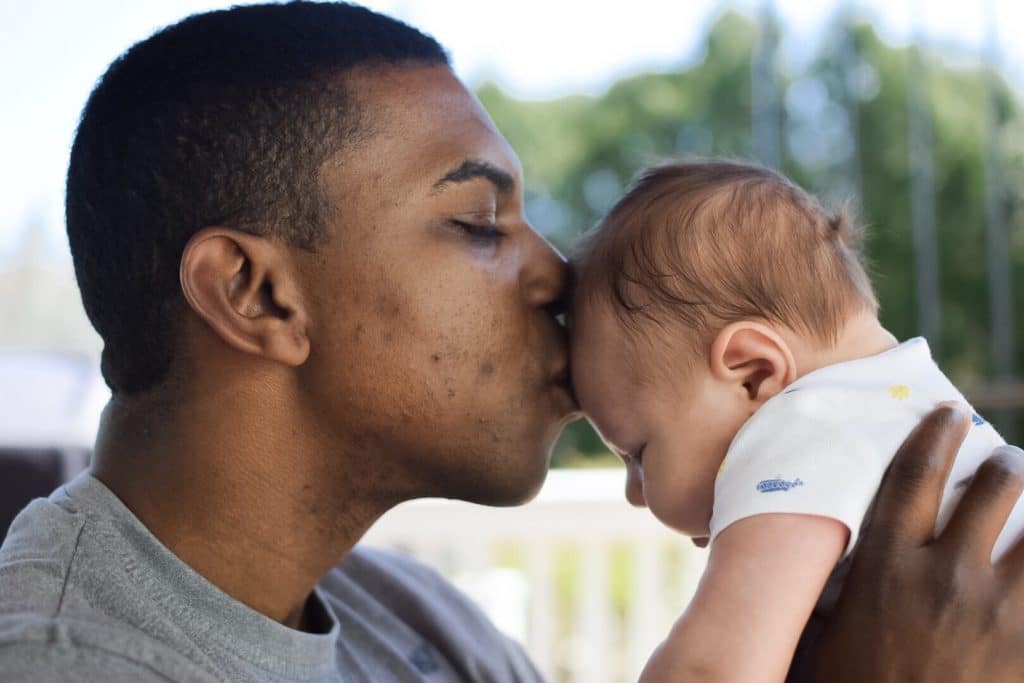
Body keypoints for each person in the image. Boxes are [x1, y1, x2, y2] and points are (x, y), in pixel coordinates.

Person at [0, 3, 1022, 682]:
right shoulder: (69, 659)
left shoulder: (416, 621)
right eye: (479, 223)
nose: (553, 272)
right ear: (256, 292)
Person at [569, 159, 1020, 682]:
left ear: (754, 374)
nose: (635, 493)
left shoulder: (803, 427)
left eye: (638, 453)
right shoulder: (903, 400)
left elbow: (712, 671)